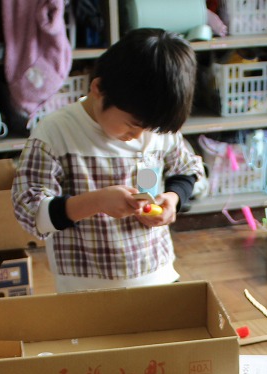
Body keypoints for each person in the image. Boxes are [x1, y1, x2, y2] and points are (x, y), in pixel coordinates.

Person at [12, 28, 205, 293]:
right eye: (132, 125)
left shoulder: (155, 127)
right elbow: (30, 213)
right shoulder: (55, 133)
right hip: (84, 288)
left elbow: (188, 168)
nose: (140, 136)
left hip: (157, 274)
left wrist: (173, 199)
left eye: (149, 128)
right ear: (98, 89)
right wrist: (97, 202)